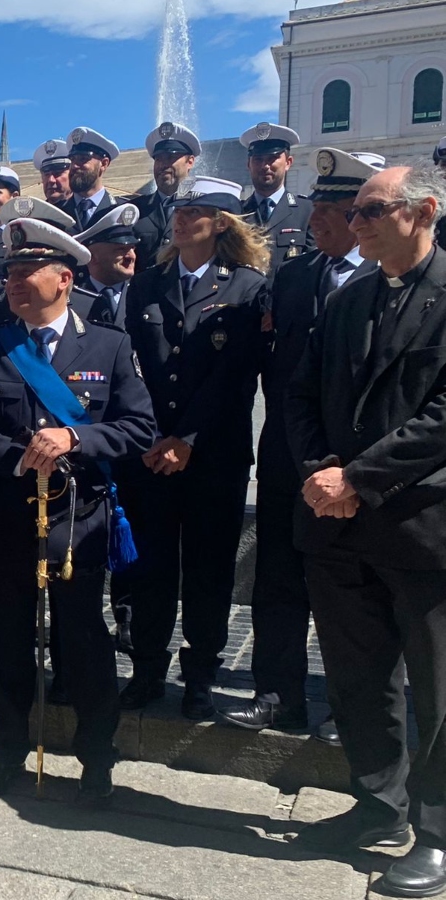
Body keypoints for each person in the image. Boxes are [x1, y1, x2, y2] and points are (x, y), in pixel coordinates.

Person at [0, 217, 155, 806]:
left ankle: (95, 761)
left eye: (25, 271)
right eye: (8, 272)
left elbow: (139, 427)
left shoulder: (110, 344)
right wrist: (18, 457)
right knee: (5, 642)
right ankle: (7, 751)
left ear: (64, 277)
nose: (12, 281)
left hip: (77, 522)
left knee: (83, 645)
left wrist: (75, 440)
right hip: (4, 516)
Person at [284, 163, 446, 896]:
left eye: (373, 210)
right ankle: (379, 804)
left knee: (438, 690)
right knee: (358, 677)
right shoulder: (349, 298)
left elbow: (442, 416)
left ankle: (438, 834)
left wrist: (361, 478)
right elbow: (301, 392)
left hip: (419, 524)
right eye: (354, 215)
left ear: (424, 211)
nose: (358, 224)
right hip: (338, 526)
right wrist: (324, 471)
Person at [219, 148, 377, 740]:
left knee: (352, 597)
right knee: (277, 582)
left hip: (355, 466)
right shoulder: (293, 277)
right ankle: (277, 696)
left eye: (330, 209)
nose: (315, 220)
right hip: (288, 455)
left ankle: (353, 710)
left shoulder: (386, 279)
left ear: (360, 214)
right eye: (314, 208)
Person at [116, 176, 268, 720]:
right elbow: (131, 366)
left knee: (209, 569)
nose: (181, 219)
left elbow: (235, 377)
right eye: (180, 209)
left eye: (196, 211)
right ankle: (147, 671)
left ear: (221, 222)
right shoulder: (147, 284)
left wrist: (189, 440)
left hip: (214, 457)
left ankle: (200, 674)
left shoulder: (247, 287)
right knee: (150, 568)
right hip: (151, 452)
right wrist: (154, 435)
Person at [240, 122, 314, 274]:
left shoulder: (307, 211)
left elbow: (314, 265)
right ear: (248, 164)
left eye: (272, 158)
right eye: (258, 160)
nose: (265, 166)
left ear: (288, 163)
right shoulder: (237, 213)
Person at [131, 123, 200, 265]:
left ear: (190, 161)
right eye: (158, 159)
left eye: (170, 157)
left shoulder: (203, 211)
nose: (163, 165)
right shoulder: (134, 210)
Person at [75, 203, 141, 328]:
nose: (131, 257)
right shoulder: (73, 300)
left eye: (132, 248)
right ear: (92, 257)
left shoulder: (146, 294)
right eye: (120, 249)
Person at [63, 127, 121, 230]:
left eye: (82, 159)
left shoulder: (121, 211)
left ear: (104, 164)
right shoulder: (57, 213)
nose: (75, 166)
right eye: (72, 159)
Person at [33, 139, 74, 209]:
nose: (51, 180)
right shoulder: (36, 215)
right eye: (46, 174)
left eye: (57, 173)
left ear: (72, 174)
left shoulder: (86, 212)